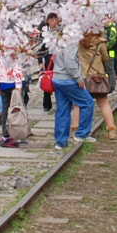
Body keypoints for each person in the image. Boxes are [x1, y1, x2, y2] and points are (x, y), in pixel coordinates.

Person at [45, 16, 95, 148]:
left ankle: (61, 141)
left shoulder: (58, 39)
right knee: (87, 103)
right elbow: (70, 62)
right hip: (68, 79)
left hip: (58, 78)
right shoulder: (71, 42)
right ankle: (82, 133)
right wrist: (78, 78)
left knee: (62, 110)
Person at [79, 30, 117, 141]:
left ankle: (75, 130)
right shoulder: (100, 42)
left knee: (78, 105)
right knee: (104, 103)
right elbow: (105, 58)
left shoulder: (79, 42)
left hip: (83, 76)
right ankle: (112, 131)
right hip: (97, 76)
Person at [0, 31, 26, 144]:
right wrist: (18, 84)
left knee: (6, 108)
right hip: (12, 83)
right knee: (16, 108)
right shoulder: (13, 52)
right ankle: (15, 131)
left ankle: (5, 134)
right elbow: (17, 68)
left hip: (2, 83)